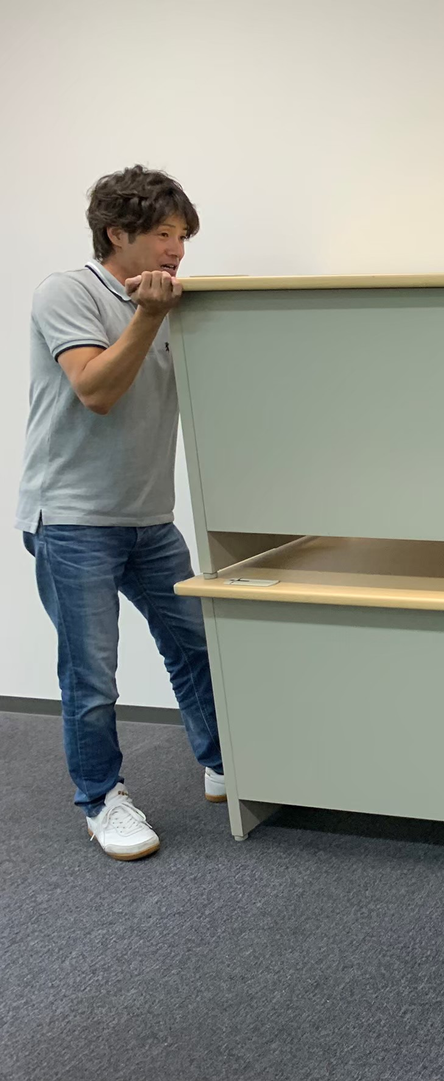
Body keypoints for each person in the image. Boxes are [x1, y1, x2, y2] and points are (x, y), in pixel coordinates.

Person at [18, 165, 225, 861]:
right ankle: (101, 799)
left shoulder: (167, 300)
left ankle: (224, 760)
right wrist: (150, 316)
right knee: (91, 676)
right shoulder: (68, 291)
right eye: (164, 234)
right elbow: (96, 390)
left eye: (183, 236)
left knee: (198, 645)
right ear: (117, 233)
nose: (177, 249)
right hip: (72, 518)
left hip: (147, 516)